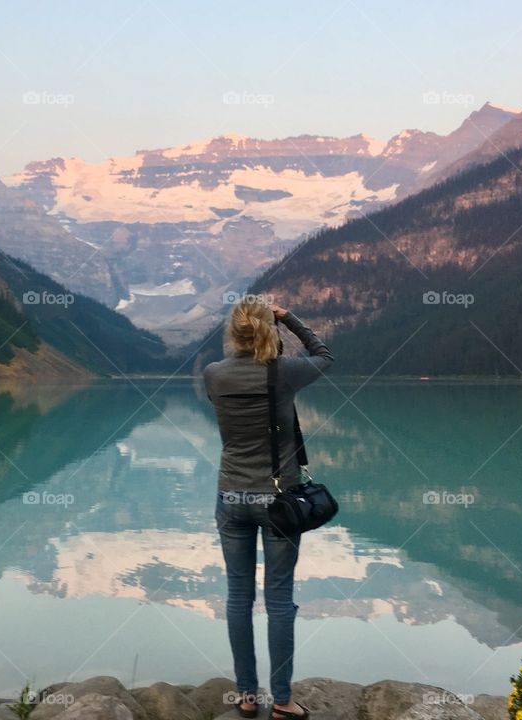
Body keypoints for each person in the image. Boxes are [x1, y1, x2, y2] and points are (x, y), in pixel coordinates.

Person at [203, 296, 334, 719]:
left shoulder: (214, 375)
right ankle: (281, 701)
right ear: (267, 329)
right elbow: (324, 355)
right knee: (279, 600)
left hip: (232, 497)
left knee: (237, 598)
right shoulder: (285, 373)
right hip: (279, 501)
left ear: (232, 332)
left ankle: (244, 695)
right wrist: (289, 318)